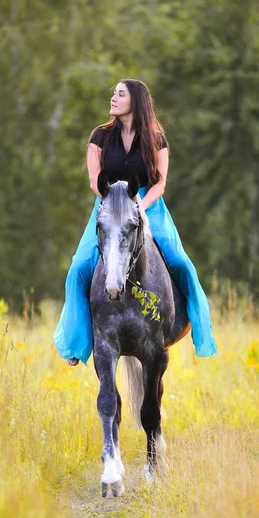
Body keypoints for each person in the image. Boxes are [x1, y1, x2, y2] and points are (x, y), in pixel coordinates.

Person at [54, 79, 217, 366]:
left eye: (120, 93)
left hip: (148, 206)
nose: (113, 97)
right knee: (79, 266)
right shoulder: (100, 136)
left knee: (180, 262)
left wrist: (139, 205)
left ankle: (190, 326)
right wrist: (116, 202)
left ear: (136, 101)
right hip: (109, 206)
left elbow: (161, 183)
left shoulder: (156, 139)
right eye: (113, 93)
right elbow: (95, 180)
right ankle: (77, 343)